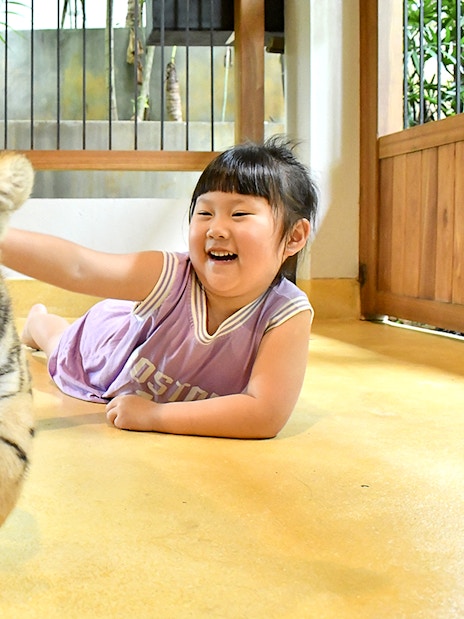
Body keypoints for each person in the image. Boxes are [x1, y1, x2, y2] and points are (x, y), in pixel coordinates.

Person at [2, 137, 319, 439]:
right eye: (205, 212)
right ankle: (38, 322)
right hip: (109, 350)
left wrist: (156, 416)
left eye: (239, 214)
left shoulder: (286, 314)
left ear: (293, 237)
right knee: (61, 345)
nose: (216, 228)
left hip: (150, 370)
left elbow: (263, 413)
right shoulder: (172, 275)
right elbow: (80, 267)